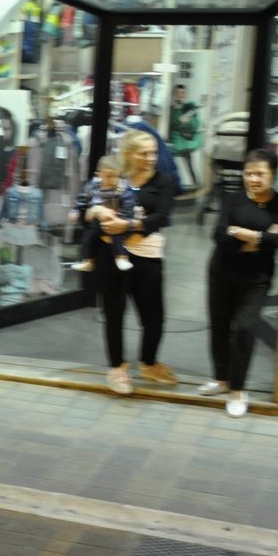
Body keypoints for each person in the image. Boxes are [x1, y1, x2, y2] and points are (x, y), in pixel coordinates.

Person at [202, 149, 278, 418]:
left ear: (273, 174)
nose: (253, 179)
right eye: (248, 173)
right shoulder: (233, 199)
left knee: (244, 327)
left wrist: (245, 233)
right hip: (221, 271)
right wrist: (263, 236)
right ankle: (222, 379)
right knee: (219, 325)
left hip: (256, 279)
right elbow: (218, 234)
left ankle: (238, 389)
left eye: (260, 174)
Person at [95, 129, 180, 395]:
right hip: (113, 256)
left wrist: (126, 225)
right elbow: (92, 203)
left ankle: (148, 362)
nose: (151, 158)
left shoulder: (163, 181)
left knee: (154, 316)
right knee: (114, 313)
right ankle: (117, 367)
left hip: (148, 257)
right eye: (144, 153)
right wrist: (97, 212)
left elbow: (162, 217)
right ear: (129, 154)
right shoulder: (114, 176)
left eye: (154, 152)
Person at [69, 156, 136, 274]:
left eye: (115, 176)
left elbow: (129, 205)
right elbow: (82, 199)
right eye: (108, 176)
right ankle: (88, 260)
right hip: (96, 221)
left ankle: (121, 258)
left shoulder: (122, 190)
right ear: (99, 175)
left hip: (115, 219)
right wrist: (76, 210)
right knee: (88, 238)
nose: (112, 179)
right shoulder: (91, 187)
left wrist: (123, 219)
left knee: (118, 237)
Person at [169, 84, 203, 193]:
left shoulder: (189, 107)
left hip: (185, 142)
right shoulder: (170, 109)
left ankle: (194, 184)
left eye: (183, 93)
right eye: (178, 93)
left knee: (189, 164)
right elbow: (173, 124)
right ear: (174, 94)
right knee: (176, 166)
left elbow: (196, 124)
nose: (180, 95)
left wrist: (188, 121)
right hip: (175, 141)